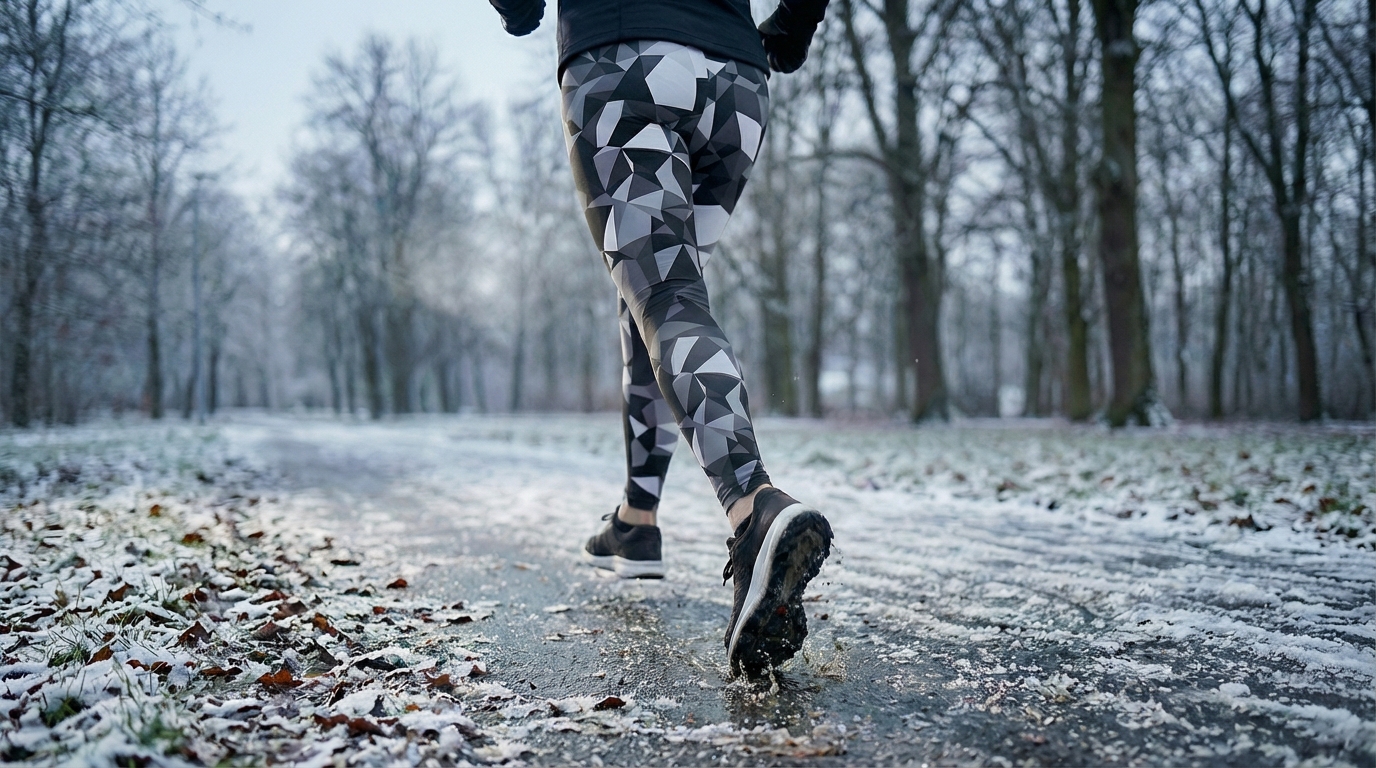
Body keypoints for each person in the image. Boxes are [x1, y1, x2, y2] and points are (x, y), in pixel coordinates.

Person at [487, 0, 833, 677]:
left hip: (625, 61)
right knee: (657, 289)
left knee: (665, 291)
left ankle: (753, 504)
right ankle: (637, 520)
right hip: (734, 84)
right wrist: (792, 25)